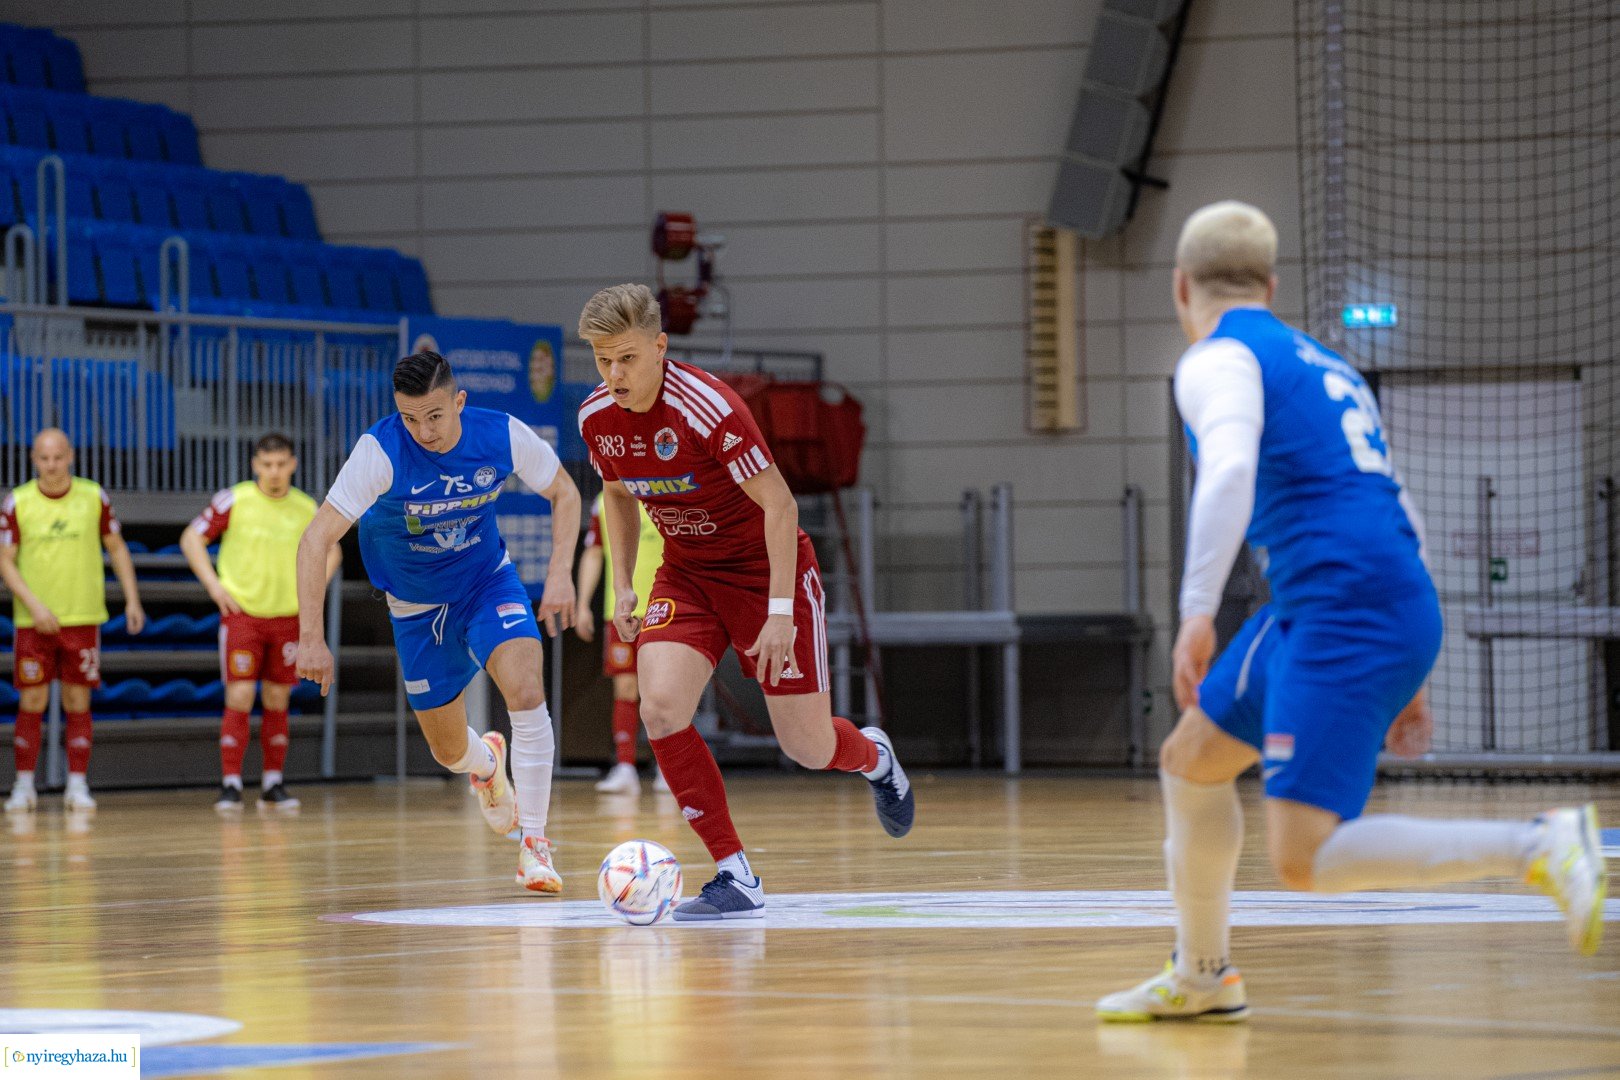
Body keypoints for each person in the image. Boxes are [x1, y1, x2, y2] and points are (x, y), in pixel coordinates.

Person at [1096, 201, 1607, 1023]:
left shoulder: (1215, 357)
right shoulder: (1322, 360)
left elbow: (1226, 472)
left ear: (1180, 286)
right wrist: (1414, 666)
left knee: (1303, 857)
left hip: (1342, 607)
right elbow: (1400, 503)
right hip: (1359, 597)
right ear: (1270, 284)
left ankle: (1540, 844)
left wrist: (1195, 611)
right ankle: (1203, 974)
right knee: (1191, 761)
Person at [577, 283, 914, 922]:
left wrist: (782, 611)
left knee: (808, 747)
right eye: (601, 360)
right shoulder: (597, 416)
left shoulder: (709, 408)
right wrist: (624, 583)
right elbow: (617, 496)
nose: (614, 375)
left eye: (626, 358)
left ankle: (876, 758)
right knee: (662, 708)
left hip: (765, 575)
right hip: (687, 575)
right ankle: (735, 873)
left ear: (660, 346)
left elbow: (781, 505)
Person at [294, 350, 580, 893]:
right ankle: (487, 763)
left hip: (486, 581)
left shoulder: (502, 435)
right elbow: (316, 539)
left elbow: (564, 492)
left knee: (524, 687)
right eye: (409, 417)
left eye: (434, 415)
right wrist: (311, 636)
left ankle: (535, 846)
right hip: (415, 606)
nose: (422, 430)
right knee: (448, 752)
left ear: (459, 403)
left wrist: (559, 573)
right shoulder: (378, 452)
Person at [182, 433, 340, 813]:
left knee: (277, 698)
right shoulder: (234, 499)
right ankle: (231, 783)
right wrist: (215, 588)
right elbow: (191, 538)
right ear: (255, 464)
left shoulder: (306, 507)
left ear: (293, 464)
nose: (274, 472)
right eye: (267, 465)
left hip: (287, 618)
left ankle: (273, 783)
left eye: (281, 464)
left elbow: (333, 548)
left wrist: (312, 592)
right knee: (239, 696)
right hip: (243, 616)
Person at [1, 428, 146, 814]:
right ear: (34, 459)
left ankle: (77, 785)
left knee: (77, 699)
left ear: (70, 456)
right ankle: (24, 785)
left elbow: (117, 548)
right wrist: (34, 606)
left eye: (58, 457)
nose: (51, 465)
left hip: (82, 617)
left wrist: (132, 598)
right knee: (31, 700)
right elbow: (5, 561)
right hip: (33, 621)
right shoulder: (18, 501)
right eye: (44, 458)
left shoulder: (93, 496)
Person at [574, 491, 670, 795]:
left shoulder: (665, 493)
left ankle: (669, 770)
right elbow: (594, 552)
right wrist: (582, 603)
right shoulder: (604, 501)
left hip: (665, 607)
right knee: (626, 688)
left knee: (664, 692)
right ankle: (626, 766)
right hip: (621, 612)